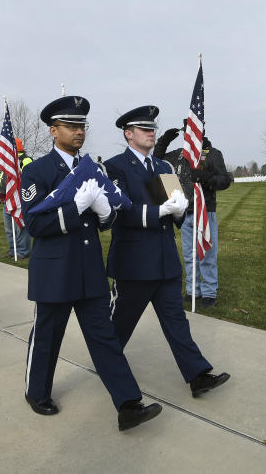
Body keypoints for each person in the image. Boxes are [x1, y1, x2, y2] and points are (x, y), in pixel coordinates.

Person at [20, 95, 161, 431]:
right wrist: (76, 206)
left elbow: (104, 219)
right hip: (55, 271)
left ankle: (128, 404)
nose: (79, 131)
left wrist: (104, 214)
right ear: (53, 131)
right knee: (47, 336)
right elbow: (35, 224)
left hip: (88, 271)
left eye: (82, 125)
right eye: (71, 126)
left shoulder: (94, 169)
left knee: (105, 339)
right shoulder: (36, 171)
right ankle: (36, 391)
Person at [104, 106, 230, 398]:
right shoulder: (115, 167)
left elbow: (174, 211)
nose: (151, 132)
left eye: (153, 128)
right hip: (134, 264)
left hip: (164, 261)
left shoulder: (163, 168)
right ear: (128, 134)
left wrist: (179, 211)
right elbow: (120, 211)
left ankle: (197, 374)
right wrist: (158, 210)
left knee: (177, 324)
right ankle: (107, 365)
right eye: (144, 129)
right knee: (118, 327)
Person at [156, 128, 232, 306]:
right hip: (184, 213)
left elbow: (225, 181)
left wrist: (205, 177)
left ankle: (209, 293)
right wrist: (163, 142)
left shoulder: (212, 154)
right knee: (190, 256)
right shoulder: (178, 155)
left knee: (207, 255)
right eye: (186, 132)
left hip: (205, 211)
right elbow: (157, 164)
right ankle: (193, 291)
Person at [0, 138, 32, 259]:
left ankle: (23, 251)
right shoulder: (8, 160)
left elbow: (28, 178)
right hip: (6, 199)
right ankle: (13, 250)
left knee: (20, 226)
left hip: (18, 199)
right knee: (9, 229)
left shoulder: (25, 160)